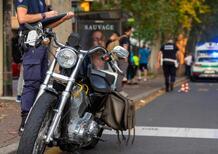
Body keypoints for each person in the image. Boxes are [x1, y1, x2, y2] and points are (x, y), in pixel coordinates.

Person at [16, 0, 74, 134]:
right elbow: (22, 18)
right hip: (32, 45)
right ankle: (25, 122)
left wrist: (63, 18)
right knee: (32, 83)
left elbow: (45, 25)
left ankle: (37, 121)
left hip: (42, 45)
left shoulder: (41, 1)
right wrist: (45, 14)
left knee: (43, 83)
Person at [116, 25, 132, 96]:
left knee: (120, 74)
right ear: (127, 31)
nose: (131, 33)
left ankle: (118, 89)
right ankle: (119, 90)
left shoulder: (121, 38)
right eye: (130, 31)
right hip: (123, 59)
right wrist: (126, 57)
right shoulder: (125, 38)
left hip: (120, 58)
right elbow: (125, 46)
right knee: (121, 74)